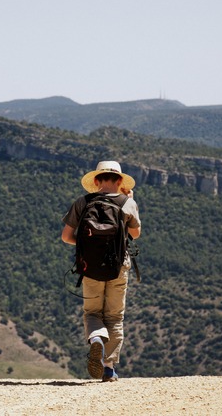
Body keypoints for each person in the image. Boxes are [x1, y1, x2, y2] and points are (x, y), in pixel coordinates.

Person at [61, 161, 141, 382]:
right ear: (120, 182)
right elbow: (136, 234)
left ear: (96, 181)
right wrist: (131, 201)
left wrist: (85, 246)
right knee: (115, 317)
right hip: (118, 267)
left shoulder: (83, 202)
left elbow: (66, 237)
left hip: (90, 267)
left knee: (93, 313)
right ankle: (108, 368)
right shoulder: (127, 203)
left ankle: (96, 338)